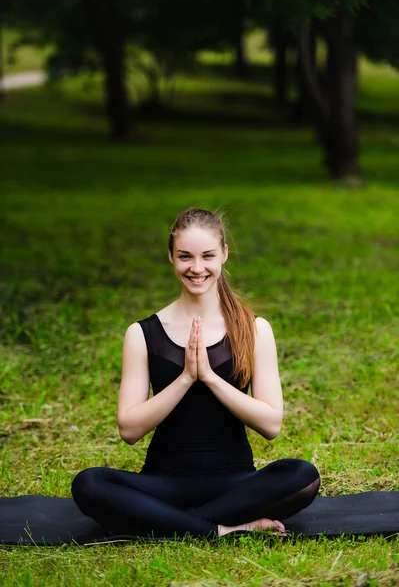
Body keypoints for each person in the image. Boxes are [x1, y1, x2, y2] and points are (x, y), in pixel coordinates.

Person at [71, 207, 320, 539]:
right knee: (88, 484)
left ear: (224, 255)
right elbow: (129, 429)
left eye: (207, 256)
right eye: (185, 257)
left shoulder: (255, 329)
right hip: (163, 483)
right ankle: (221, 528)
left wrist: (211, 378)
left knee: (303, 475)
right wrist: (186, 377)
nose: (197, 268)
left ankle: (165, 522)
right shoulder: (142, 333)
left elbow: (271, 424)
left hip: (235, 485)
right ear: (171, 258)